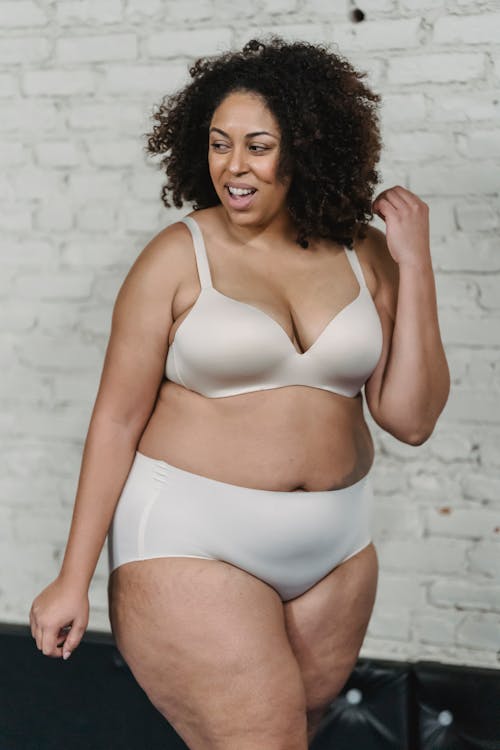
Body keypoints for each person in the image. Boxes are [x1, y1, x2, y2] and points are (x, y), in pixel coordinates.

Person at [29, 37, 450, 750]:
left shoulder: (364, 252)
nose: (234, 166)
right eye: (220, 144)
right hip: (192, 539)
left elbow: (409, 419)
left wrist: (415, 262)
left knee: (287, 736)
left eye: (258, 146)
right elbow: (115, 419)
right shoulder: (176, 255)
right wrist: (73, 577)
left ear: (307, 150)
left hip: (338, 550)